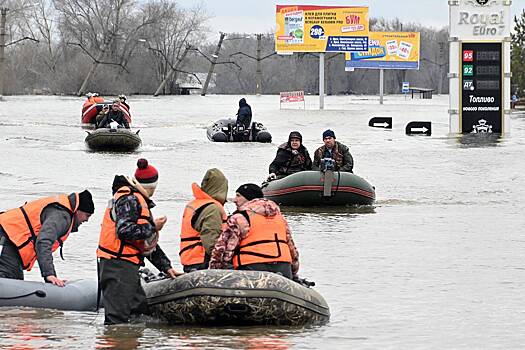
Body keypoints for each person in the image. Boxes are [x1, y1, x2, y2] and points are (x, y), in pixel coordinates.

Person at [97, 158, 182, 325]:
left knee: (139, 309)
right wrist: (153, 226)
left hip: (127, 265)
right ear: (152, 187)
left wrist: (166, 267)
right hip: (118, 265)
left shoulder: (136, 199)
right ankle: (116, 343)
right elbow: (124, 231)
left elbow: (144, 244)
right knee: (117, 320)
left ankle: (136, 342)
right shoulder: (129, 199)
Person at [0, 190, 94, 286]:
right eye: (87, 215)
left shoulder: (61, 211)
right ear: (78, 210)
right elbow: (44, 241)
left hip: (10, 239)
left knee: (14, 283)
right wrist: (49, 274)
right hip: (7, 238)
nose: (87, 220)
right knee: (11, 282)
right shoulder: (61, 216)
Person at [209, 183, 299, 280]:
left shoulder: (240, 218)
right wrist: (293, 273)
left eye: (238, 196)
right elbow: (292, 250)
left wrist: (214, 272)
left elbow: (223, 250)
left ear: (249, 198)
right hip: (283, 269)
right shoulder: (280, 219)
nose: (235, 200)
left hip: (251, 269)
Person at [180, 168, 228, 273]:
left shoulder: (194, 204)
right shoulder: (212, 209)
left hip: (189, 259)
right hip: (202, 262)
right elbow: (211, 242)